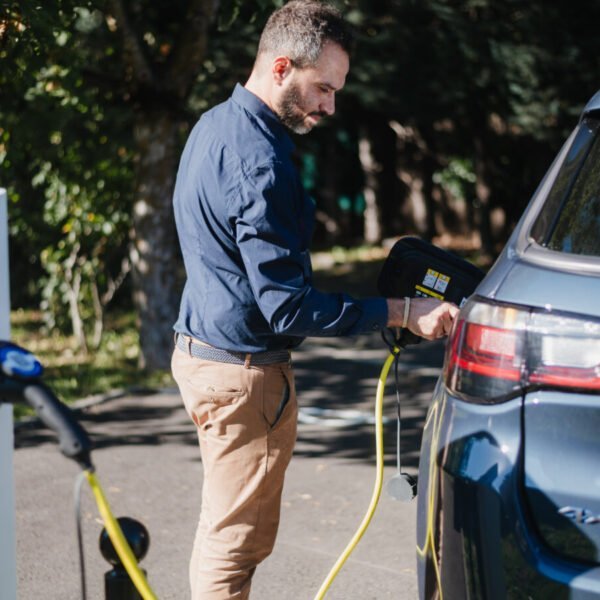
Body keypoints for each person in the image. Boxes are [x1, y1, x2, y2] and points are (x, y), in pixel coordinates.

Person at [171, 2, 458, 598]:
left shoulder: (214, 125)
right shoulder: (259, 162)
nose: (330, 105)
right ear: (281, 67)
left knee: (223, 530)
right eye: (323, 88)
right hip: (241, 376)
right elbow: (288, 307)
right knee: (235, 544)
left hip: (203, 355)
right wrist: (402, 313)